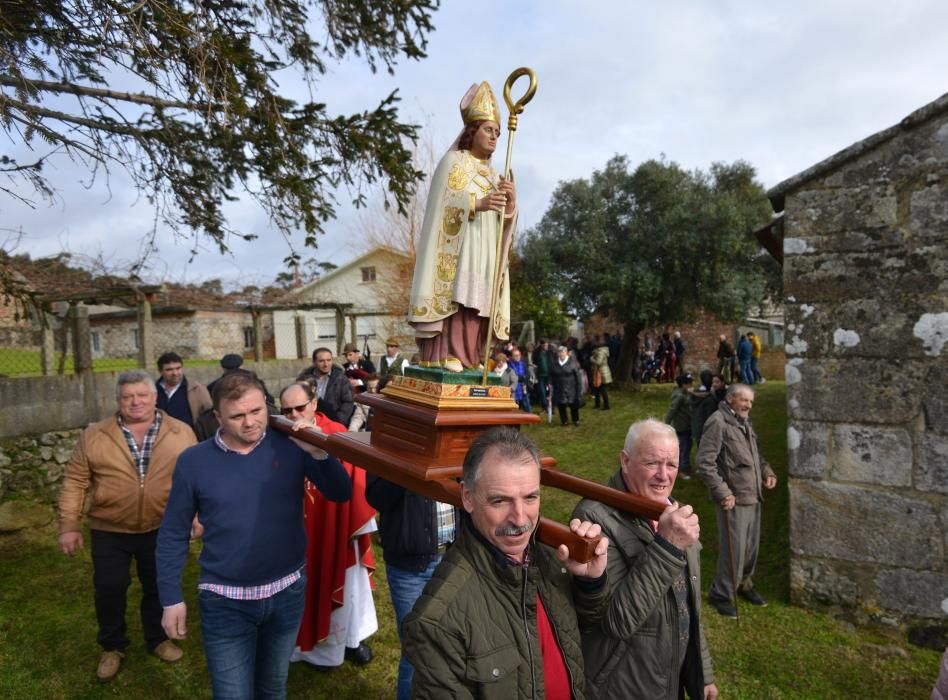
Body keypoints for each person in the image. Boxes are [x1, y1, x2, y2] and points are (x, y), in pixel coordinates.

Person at [156, 370, 352, 699]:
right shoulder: (194, 461)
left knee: (273, 689)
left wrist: (318, 452)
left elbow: (340, 491)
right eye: (237, 416)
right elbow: (173, 532)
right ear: (218, 416)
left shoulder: (291, 445)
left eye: (257, 411)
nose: (249, 423)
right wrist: (171, 597)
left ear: (266, 404)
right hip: (225, 601)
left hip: (286, 593)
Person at [402, 427, 609, 698]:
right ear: (467, 497)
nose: (520, 519)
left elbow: (585, 632)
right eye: (500, 501)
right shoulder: (437, 621)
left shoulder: (550, 558)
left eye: (531, 497)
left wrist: (589, 582)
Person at [58, 370, 196, 681]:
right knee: (109, 588)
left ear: (154, 397)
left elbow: (198, 478)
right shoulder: (95, 434)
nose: (135, 402)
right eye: (127, 397)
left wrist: (199, 514)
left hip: (163, 527)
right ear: (117, 400)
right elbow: (75, 480)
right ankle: (112, 645)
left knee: (158, 587)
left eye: (141, 395)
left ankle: (157, 639)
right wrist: (69, 524)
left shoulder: (181, 432)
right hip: (110, 528)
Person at [572, 419, 717, 699]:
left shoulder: (671, 511)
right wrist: (667, 545)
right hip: (622, 686)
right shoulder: (593, 518)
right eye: (652, 463)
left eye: (672, 465)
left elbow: (687, 602)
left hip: (668, 680)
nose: (664, 476)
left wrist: (703, 672)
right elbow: (617, 621)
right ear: (625, 461)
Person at [407, 81, 517, 372]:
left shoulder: (494, 174)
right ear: (472, 131)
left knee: (479, 301)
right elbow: (442, 204)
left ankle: (472, 356)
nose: (494, 137)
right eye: (488, 130)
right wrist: (476, 204)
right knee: (460, 298)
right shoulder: (454, 162)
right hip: (460, 249)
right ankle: (447, 353)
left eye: (497, 132)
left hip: (485, 252)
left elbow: (505, 222)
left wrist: (511, 203)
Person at [279, 382, 378, 672]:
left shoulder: (335, 433)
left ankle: (348, 642)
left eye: (300, 407)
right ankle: (299, 645)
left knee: (345, 583)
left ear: (313, 404)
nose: (295, 415)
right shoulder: (278, 438)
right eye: (287, 410)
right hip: (294, 535)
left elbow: (353, 484)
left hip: (334, 529)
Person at [365, 475, 459, 700]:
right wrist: (407, 470)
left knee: (454, 646)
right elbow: (377, 496)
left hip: (456, 560)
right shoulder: (395, 440)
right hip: (410, 566)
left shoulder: (456, 441)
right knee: (416, 650)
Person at [696, 384, 777, 617]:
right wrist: (723, 492)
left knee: (751, 549)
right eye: (744, 401)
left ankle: (744, 585)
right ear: (730, 399)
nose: (748, 405)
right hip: (733, 500)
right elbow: (705, 462)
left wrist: (767, 472)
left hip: (753, 496)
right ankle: (721, 594)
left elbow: (755, 455)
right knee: (735, 552)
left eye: (751, 402)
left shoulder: (745, 422)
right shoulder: (718, 422)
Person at [154, 351, 212, 431]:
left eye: (178, 368)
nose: (175, 373)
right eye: (169, 370)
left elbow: (209, 415)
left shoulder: (196, 389)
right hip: (160, 437)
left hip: (189, 437)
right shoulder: (152, 390)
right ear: (160, 371)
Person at [297, 347, 355, 426]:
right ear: (314, 362)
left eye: (329, 360)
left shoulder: (341, 379)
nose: (326, 364)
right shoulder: (303, 379)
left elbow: (348, 402)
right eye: (321, 361)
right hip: (309, 422)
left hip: (333, 423)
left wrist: (338, 422)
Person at [665, 372, 695, 478]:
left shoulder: (685, 393)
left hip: (688, 426)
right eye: (689, 383)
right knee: (683, 448)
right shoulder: (680, 396)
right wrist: (666, 424)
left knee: (688, 447)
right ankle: (681, 470)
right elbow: (672, 410)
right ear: (683, 385)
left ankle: (686, 466)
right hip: (681, 427)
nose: (691, 386)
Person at [550, 344, 584, 426]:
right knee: (561, 405)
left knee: (573, 405)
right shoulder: (554, 364)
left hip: (571, 388)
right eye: (560, 352)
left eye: (563, 352)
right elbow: (550, 375)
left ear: (566, 353)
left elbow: (578, 378)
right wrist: (549, 383)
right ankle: (564, 421)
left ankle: (576, 420)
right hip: (559, 388)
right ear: (558, 354)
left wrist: (579, 389)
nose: (561, 354)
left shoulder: (573, 363)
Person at [507, 345, 532, 412]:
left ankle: (529, 418)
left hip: (523, 386)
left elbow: (527, 374)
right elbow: (509, 377)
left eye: (518, 355)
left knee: (526, 403)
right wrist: (520, 378)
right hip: (513, 387)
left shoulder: (523, 363)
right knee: (513, 405)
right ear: (512, 356)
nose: (518, 357)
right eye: (515, 355)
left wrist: (524, 378)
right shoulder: (509, 365)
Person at [590, 339, 611, 410]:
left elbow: (598, 362)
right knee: (597, 389)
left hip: (601, 372)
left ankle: (606, 405)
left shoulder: (601, 352)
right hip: (600, 371)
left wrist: (592, 359)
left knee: (602, 389)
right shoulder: (601, 351)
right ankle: (597, 404)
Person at [533, 338, 553, 413]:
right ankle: (545, 407)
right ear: (541, 345)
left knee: (550, 391)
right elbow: (534, 361)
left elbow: (553, 361)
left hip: (549, 375)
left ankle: (551, 407)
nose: (546, 346)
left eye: (547, 344)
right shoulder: (537, 352)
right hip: (540, 375)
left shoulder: (550, 352)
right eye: (544, 345)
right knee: (542, 391)